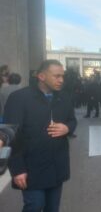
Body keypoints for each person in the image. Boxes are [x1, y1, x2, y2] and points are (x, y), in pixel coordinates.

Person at [3, 60, 77, 212]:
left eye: (62, 76)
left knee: (52, 208)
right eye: (56, 76)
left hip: (57, 166)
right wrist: (17, 169)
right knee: (34, 206)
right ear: (42, 76)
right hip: (31, 168)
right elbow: (11, 134)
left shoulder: (64, 97)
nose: (61, 80)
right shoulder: (19, 98)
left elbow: (72, 120)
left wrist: (67, 128)